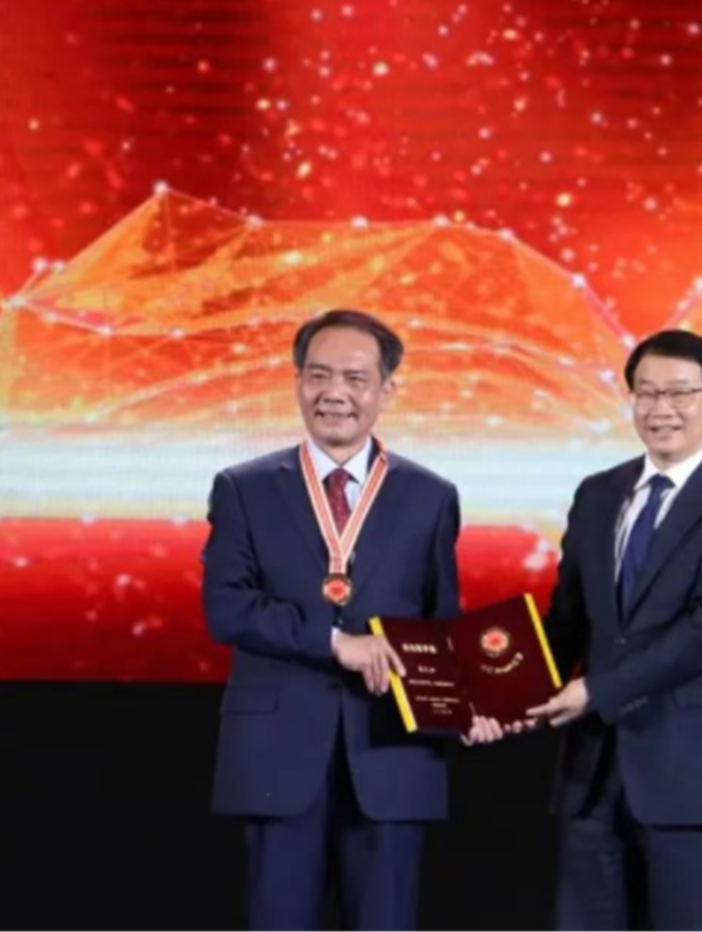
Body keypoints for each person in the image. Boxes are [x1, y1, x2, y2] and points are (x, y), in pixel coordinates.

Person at [201, 308, 502, 931]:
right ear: (297, 383)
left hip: (394, 751)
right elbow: (227, 607)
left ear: (386, 391)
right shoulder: (243, 488)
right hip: (278, 752)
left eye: (355, 379)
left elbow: (440, 623)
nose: (334, 393)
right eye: (318, 375)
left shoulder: (431, 496)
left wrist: (469, 702)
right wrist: (337, 643)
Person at [528, 328, 702, 931]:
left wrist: (599, 690)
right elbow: (568, 619)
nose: (660, 408)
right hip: (593, 777)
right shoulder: (599, 494)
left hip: (694, 779)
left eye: (678, 393)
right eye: (646, 393)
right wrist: (498, 690)